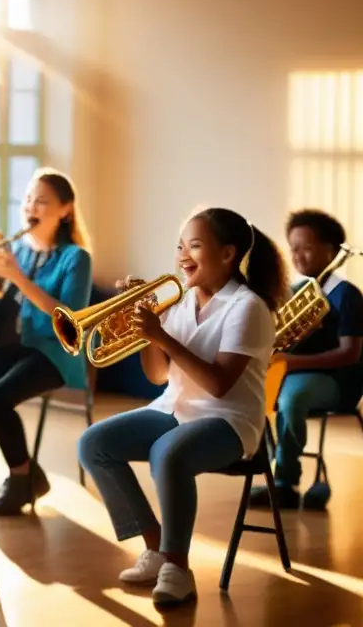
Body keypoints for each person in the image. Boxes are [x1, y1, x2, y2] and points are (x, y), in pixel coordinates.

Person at [77, 207, 287, 607]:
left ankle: (177, 566)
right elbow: (158, 376)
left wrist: (162, 335)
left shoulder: (247, 307)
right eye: (179, 246)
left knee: (167, 452)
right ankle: (157, 548)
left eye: (193, 245)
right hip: (174, 408)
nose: (182, 255)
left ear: (227, 254)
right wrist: (146, 333)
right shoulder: (180, 300)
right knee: (93, 444)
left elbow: (220, 384)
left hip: (229, 420)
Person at [0, 167, 93, 515]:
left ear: (65, 210)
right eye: (27, 199)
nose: (30, 207)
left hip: (55, 354)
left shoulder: (75, 258)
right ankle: (30, 476)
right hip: (14, 347)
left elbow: (68, 317)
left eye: (42, 202)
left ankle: (22, 478)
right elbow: (5, 307)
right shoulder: (18, 251)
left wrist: (17, 278)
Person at [249, 209, 363, 510]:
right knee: (252, 390)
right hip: (295, 374)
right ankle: (274, 467)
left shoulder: (346, 295)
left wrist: (292, 362)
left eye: (307, 247)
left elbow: (350, 354)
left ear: (331, 249)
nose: (298, 256)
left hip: (338, 382)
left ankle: (285, 483)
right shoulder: (297, 291)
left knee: (292, 397)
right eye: (293, 248)